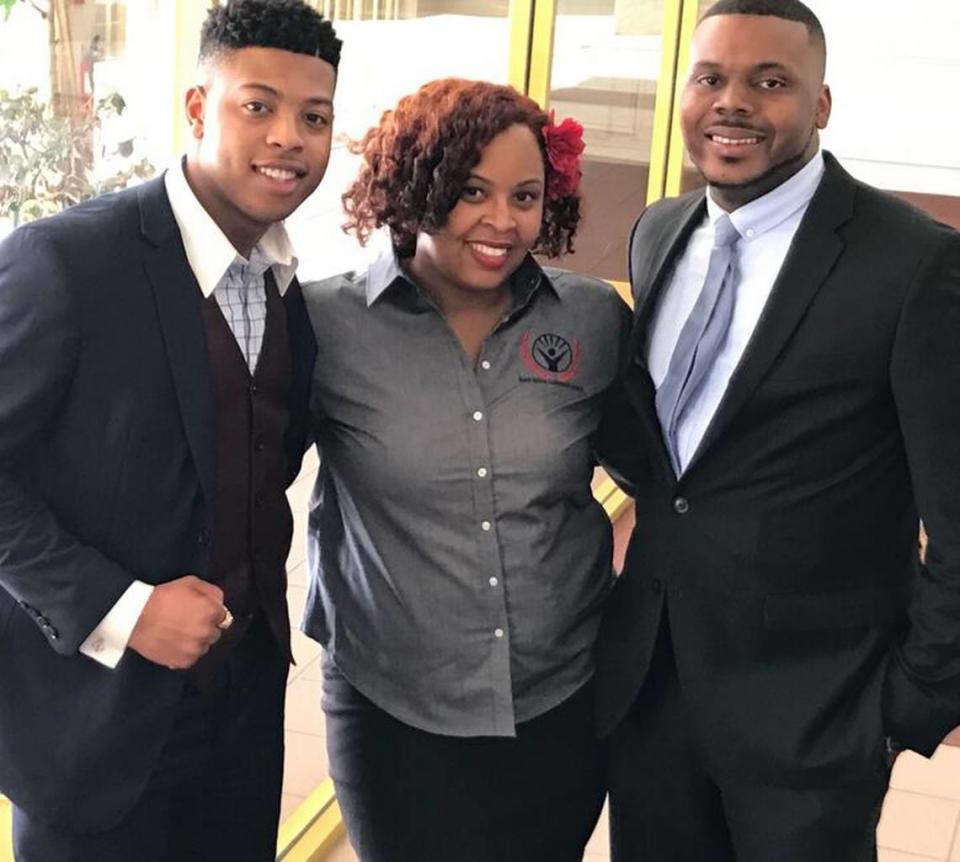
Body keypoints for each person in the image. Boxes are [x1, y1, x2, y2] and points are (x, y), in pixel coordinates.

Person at [595, 0, 960, 859]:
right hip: (651, 695)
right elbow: (674, 465)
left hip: (814, 724)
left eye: (770, 82)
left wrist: (907, 708)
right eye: (711, 77)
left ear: (821, 105)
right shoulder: (658, 232)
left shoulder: (914, 266)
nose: (733, 103)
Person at [0, 1, 341, 859]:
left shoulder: (287, 290)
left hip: (244, 717)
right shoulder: (69, 263)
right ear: (197, 109)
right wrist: (122, 609)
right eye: (257, 105)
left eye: (314, 116)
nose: (289, 138)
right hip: (95, 728)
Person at [301, 78, 630, 862]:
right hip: (393, 709)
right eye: (471, 191)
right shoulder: (323, 325)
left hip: (561, 705)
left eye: (525, 195)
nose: (502, 221)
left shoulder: (591, 320)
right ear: (415, 187)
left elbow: (669, 477)